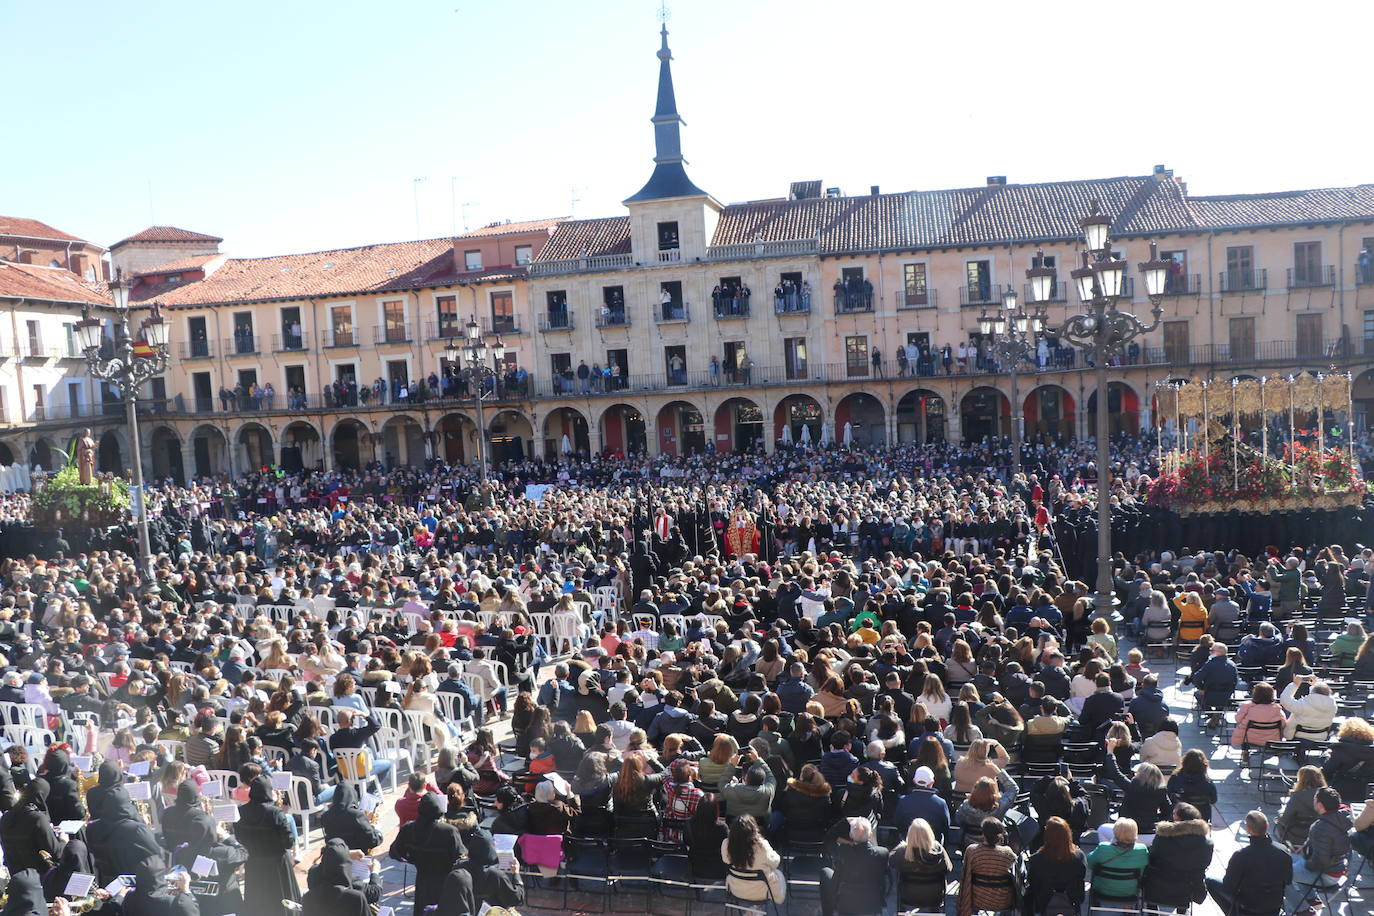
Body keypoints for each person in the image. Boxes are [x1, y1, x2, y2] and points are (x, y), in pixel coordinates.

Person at [389, 792, 465, 916]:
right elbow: (460, 857)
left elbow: (395, 852)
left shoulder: (408, 829)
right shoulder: (449, 831)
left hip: (423, 878)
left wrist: (411, 859)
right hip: (445, 881)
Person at [234, 775, 300, 916]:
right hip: (277, 864)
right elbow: (288, 842)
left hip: (254, 862)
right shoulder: (276, 813)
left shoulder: (241, 811)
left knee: (258, 901)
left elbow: (239, 837)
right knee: (283, 902)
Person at [1207, 810, 1293, 916]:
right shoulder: (1283, 850)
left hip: (1249, 904)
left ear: (1248, 829)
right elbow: (1288, 880)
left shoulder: (1241, 856)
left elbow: (1229, 886)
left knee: (1209, 881)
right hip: (1273, 904)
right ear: (1267, 825)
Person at [1283, 787, 1352, 914]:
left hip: (1327, 874)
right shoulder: (1343, 817)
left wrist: (1304, 860)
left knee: (1282, 874)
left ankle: (1303, 910)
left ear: (1320, 805)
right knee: (1287, 858)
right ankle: (1312, 899)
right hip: (1339, 867)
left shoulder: (1321, 827)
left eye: (1315, 799)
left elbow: (1319, 863)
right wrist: (1305, 849)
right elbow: (1328, 845)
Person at [1141, 802, 1211, 909]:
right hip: (1187, 891)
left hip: (1157, 887)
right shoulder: (1207, 843)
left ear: (1178, 818)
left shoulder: (1163, 836)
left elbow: (1152, 857)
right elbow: (1204, 865)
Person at [819, 816, 889, 916]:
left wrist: (845, 821)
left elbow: (828, 839)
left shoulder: (843, 850)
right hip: (872, 905)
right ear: (870, 836)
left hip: (846, 904)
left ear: (851, 835)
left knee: (825, 872)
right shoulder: (882, 853)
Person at [1026, 816, 1087, 916]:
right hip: (1072, 901)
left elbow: (1032, 883)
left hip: (1044, 903)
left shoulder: (1036, 859)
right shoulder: (1079, 857)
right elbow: (1081, 879)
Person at [956, 817, 1017, 916]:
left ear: (983, 833)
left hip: (978, 899)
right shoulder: (1008, 853)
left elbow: (965, 878)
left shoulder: (972, 851)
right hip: (1002, 901)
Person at [302, 838, 376, 916]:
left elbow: (317, 869)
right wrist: (375, 872)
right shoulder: (356, 898)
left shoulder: (308, 898)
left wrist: (339, 855)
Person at [722, 813, 785, 904]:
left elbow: (726, 860)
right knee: (778, 873)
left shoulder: (726, 844)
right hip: (761, 892)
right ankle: (756, 909)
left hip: (735, 890)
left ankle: (753, 911)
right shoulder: (762, 845)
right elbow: (775, 862)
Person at [889, 818, 951, 911]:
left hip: (908, 895)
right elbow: (948, 868)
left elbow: (891, 862)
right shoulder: (938, 849)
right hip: (934, 896)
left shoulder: (902, 851)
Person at [1087, 817, 1149, 903]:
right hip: (1130, 892)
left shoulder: (1103, 848)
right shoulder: (1142, 850)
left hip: (1102, 889)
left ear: (1115, 832)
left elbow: (1089, 863)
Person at [1233, 681, 1288, 762]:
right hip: (1272, 739)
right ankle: (1278, 753)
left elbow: (1237, 719)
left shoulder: (1247, 707)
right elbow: (1283, 724)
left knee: (1243, 730)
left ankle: (1245, 752)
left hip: (1250, 739)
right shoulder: (1277, 709)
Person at [1321, 716, 1374, 800]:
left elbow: (1326, 772)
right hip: (1368, 792)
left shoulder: (1340, 749)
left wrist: (1326, 759)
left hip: (1343, 791)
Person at [323, 780, 384, 852]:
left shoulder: (326, 815)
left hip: (337, 854)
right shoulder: (357, 815)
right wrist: (375, 828)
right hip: (358, 854)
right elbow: (373, 841)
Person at [1275, 766, 1327, 848]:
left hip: (1298, 835)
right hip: (1321, 834)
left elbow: (1285, 819)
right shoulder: (1328, 795)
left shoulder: (1297, 796)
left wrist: (1279, 815)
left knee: (1279, 820)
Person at [1193, 641, 1239, 727]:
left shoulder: (1210, 664)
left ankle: (1212, 715)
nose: (1210, 652)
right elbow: (1235, 682)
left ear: (1219, 652)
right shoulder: (1232, 665)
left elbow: (1196, 678)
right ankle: (1217, 715)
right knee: (1222, 695)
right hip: (1226, 698)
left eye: (1212, 650)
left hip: (1209, 697)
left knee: (1197, 694)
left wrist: (1201, 688)